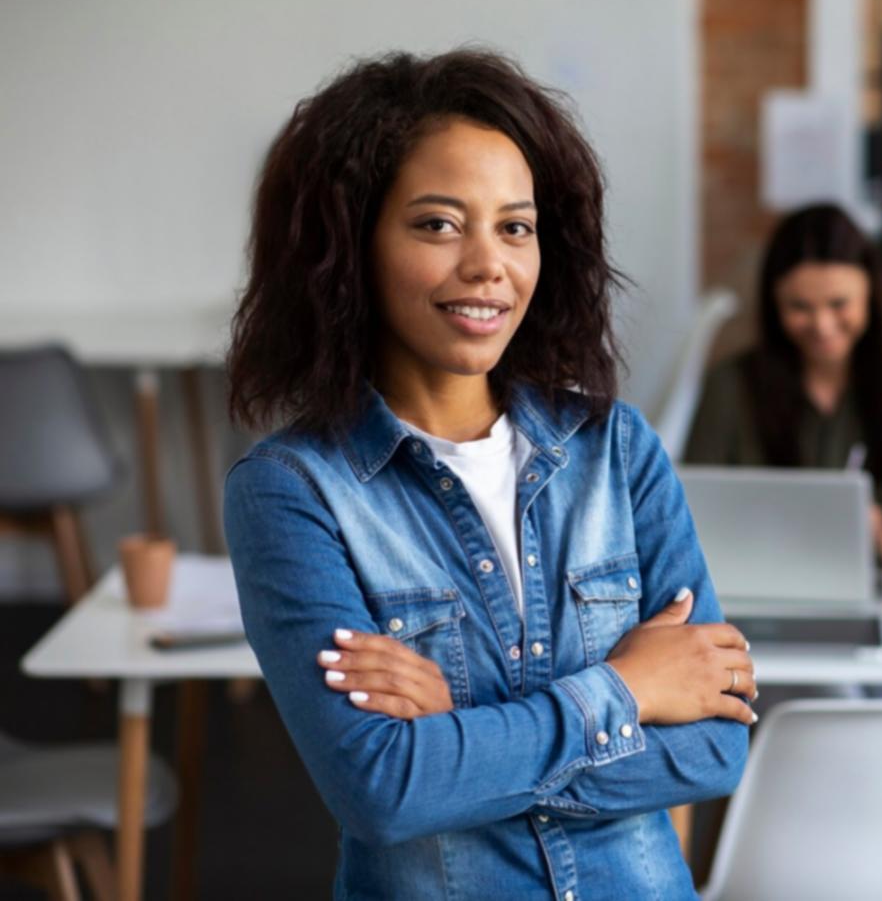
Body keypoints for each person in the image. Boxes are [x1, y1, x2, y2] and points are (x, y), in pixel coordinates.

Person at [223, 49, 753, 900]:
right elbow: (383, 791)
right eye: (437, 224)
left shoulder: (618, 449)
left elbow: (715, 747)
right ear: (349, 243)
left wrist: (462, 742)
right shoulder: (291, 491)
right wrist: (626, 691)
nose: (488, 266)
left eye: (515, 226)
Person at [686, 203, 882, 565]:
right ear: (774, 304)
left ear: (870, 298)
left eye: (839, 304)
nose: (822, 325)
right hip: (758, 578)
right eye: (800, 307)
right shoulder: (729, 386)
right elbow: (694, 512)